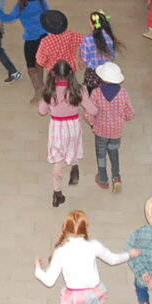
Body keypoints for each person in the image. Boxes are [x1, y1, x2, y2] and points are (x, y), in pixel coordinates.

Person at [34, 209, 140, 304]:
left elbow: (49, 281)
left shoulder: (60, 252)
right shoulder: (94, 245)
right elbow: (112, 259)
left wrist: (38, 270)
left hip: (73, 297)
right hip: (93, 294)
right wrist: (129, 254)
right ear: (86, 228)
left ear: (65, 228)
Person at [39, 60, 97, 207]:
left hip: (57, 128)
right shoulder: (78, 90)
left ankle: (57, 193)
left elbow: (42, 111)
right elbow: (93, 110)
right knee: (74, 148)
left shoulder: (49, 91)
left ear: (53, 74)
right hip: (73, 127)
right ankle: (74, 167)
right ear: (71, 73)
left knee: (59, 161)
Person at [0, 0, 50, 103]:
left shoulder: (21, 5)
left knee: (30, 67)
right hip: (44, 37)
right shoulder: (42, 2)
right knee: (39, 63)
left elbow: (9, 18)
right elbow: (48, 16)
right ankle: (42, 86)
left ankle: (39, 90)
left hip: (31, 39)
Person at [85, 62, 134, 193]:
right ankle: (116, 177)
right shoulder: (123, 93)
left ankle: (103, 179)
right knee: (114, 152)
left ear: (102, 78)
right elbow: (130, 113)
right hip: (116, 131)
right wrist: (122, 118)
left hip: (100, 131)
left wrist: (92, 124)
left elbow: (88, 113)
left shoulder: (96, 93)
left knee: (101, 155)